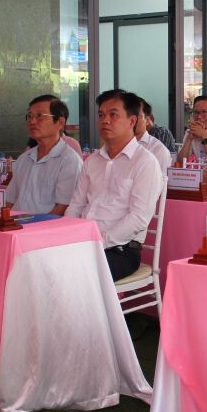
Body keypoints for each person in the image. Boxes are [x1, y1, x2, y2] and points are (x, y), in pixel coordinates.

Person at [66, 89, 162, 280]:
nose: (105, 121)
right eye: (101, 115)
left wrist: (98, 242)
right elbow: (76, 206)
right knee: (40, 263)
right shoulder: (92, 161)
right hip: (82, 242)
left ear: (132, 121)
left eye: (113, 115)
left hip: (120, 250)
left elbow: (138, 218)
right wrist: (68, 235)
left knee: (71, 273)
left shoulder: (145, 162)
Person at [5, 96, 82, 214]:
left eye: (40, 116)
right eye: (30, 116)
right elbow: (9, 201)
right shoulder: (24, 159)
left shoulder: (69, 161)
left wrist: (36, 225)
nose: (32, 121)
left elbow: (63, 208)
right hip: (15, 222)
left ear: (60, 122)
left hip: (45, 225)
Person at [134, 98, 172, 173]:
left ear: (147, 120)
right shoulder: (115, 146)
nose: (131, 120)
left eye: (136, 115)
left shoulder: (158, 150)